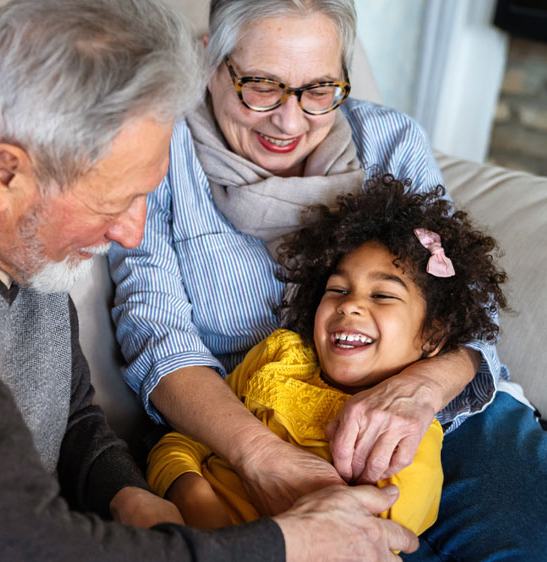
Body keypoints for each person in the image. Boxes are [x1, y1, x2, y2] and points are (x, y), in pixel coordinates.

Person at [0, 0, 420, 561]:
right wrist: (293, 542)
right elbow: (22, 542)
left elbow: (74, 415)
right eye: (118, 202)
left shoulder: (19, 239)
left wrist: (130, 495)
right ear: (2, 176)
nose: (132, 234)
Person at [109, 0, 547, 559]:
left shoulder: (389, 141)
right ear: (208, 63)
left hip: (436, 417)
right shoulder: (158, 152)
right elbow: (158, 344)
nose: (289, 122)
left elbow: (466, 308)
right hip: (253, 429)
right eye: (261, 86)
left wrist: (421, 389)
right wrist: (264, 458)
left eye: (319, 90)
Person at [145, 177, 508, 539]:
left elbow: (362, 538)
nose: (349, 304)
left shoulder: (406, 435)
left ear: (432, 335)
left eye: (382, 296)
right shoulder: (277, 354)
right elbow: (180, 441)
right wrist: (195, 500)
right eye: (337, 289)